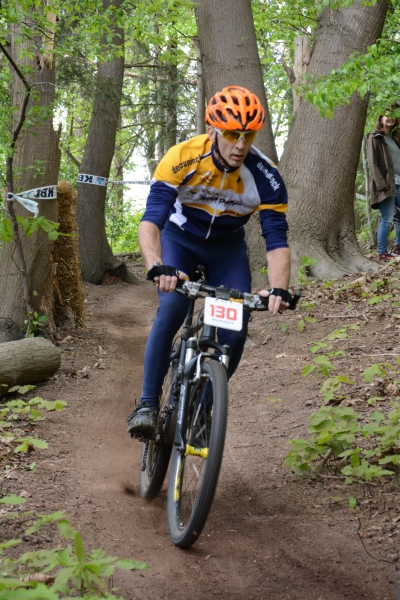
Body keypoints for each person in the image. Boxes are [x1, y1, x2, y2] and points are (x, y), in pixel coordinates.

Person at [127, 85, 291, 437]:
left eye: (248, 135)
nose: (240, 144)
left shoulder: (266, 176)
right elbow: (152, 219)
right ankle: (147, 403)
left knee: (236, 329)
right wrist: (157, 265)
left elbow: (275, 237)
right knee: (171, 306)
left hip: (226, 250)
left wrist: (279, 287)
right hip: (179, 240)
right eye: (232, 134)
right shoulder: (183, 156)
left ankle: (203, 410)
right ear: (213, 130)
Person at [367, 111, 400, 261]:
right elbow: (372, 163)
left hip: (398, 182)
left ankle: (397, 248)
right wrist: (381, 184)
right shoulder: (375, 137)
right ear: (380, 118)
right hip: (386, 184)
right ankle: (382, 253)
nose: (391, 117)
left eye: (394, 115)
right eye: (387, 114)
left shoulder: (393, 139)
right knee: (387, 218)